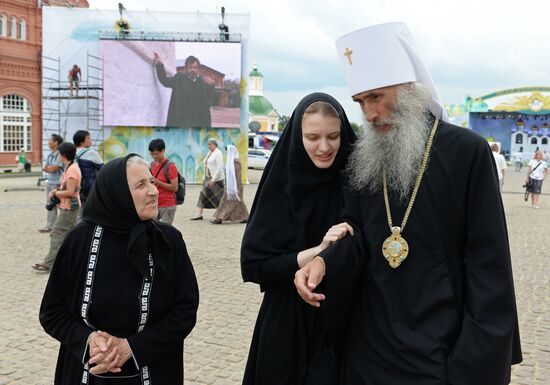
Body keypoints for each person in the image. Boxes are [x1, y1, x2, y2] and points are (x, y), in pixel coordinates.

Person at [294, 22, 522, 385]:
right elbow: (355, 232)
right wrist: (323, 260)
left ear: (408, 88)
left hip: (441, 353)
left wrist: (474, 363)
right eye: (361, 102)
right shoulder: (364, 158)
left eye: (376, 97)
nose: (368, 114)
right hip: (369, 351)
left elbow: (488, 265)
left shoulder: (467, 153)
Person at [39, 154, 199, 385]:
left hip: (154, 370)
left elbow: (185, 309)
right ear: (117, 193)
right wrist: (89, 342)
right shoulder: (79, 241)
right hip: (86, 371)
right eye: (141, 185)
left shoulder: (168, 240)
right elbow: (52, 312)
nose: (153, 191)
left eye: (152, 182)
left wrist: (131, 349)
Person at [241, 93, 356, 385]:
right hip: (287, 323)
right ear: (296, 136)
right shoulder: (281, 187)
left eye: (333, 136)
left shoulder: (357, 184)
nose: (324, 147)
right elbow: (255, 265)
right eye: (313, 137)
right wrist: (319, 252)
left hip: (346, 321)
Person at [32, 142, 81, 272]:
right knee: (69, 236)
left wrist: (55, 192)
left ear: (64, 155)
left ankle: (49, 263)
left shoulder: (72, 170)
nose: (58, 155)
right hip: (68, 206)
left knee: (57, 233)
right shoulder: (69, 167)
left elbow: (71, 192)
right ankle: (72, 261)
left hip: (69, 207)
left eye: (59, 153)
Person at [154, 53, 214, 128]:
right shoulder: (178, 79)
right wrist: (160, 65)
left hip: (197, 124)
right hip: (180, 123)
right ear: (186, 68)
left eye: (195, 67)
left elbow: (209, 102)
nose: (193, 70)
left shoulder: (203, 83)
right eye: (190, 67)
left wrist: (211, 86)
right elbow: (165, 81)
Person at [212, 144, 249, 224]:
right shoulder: (230, 163)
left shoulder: (236, 163)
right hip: (229, 186)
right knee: (238, 202)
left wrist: (236, 189)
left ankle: (219, 218)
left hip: (235, 187)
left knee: (225, 201)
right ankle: (245, 217)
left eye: (227, 151)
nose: (226, 153)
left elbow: (238, 177)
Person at [191, 138, 225, 220]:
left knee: (218, 198)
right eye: (208, 144)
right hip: (207, 178)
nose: (209, 146)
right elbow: (206, 165)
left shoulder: (218, 153)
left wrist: (213, 179)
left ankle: (219, 216)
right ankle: (199, 214)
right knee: (203, 195)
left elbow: (219, 168)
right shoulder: (209, 153)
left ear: (215, 144)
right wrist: (204, 177)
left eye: (211, 144)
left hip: (216, 180)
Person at [149, 139, 179, 224]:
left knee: (165, 231)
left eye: (156, 153)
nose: (154, 156)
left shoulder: (170, 166)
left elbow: (174, 187)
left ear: (163, 151)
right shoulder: (151, 165)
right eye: (152, 154)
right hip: (154, 204)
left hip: (167, 205)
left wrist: (157, 182)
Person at [39, 134, 64, 233]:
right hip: (50, 182)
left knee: (62, 205)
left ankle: (63, 226)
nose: (48, 142)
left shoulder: (60, 154)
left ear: (56, 142)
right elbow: (47, 167)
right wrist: (48, 168)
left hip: (58, 183)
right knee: (50, 204)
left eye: (50, 140)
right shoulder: (50, 155)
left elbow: (54, 168)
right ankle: (50, 226)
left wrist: (48, 168)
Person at [74, 130, 104, 211]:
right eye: (88, 138)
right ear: (82, 141)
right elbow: (103, 169)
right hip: (89, 186)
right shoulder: (91, 152)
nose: (90, 140)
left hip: (75, 184)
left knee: (79, 208)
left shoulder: (72, 151)